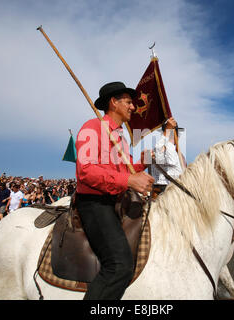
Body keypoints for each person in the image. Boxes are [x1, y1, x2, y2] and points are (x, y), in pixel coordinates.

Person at [75, 81, 154, 300]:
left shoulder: (121, 137)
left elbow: (125, 170)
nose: (132, 107)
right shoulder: (92, 127)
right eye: (128, 102)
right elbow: (86, 171)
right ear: (114, 102)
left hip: (115, 200)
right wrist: (130, 180)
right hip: (94, 203)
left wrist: (144, 163)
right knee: (120, 266)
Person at [149, 117, 184, 198]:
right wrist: (167, 131)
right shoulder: (168, 147)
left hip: (170, 190)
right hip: (168, 192)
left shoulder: (169, 149)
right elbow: (160, 155)